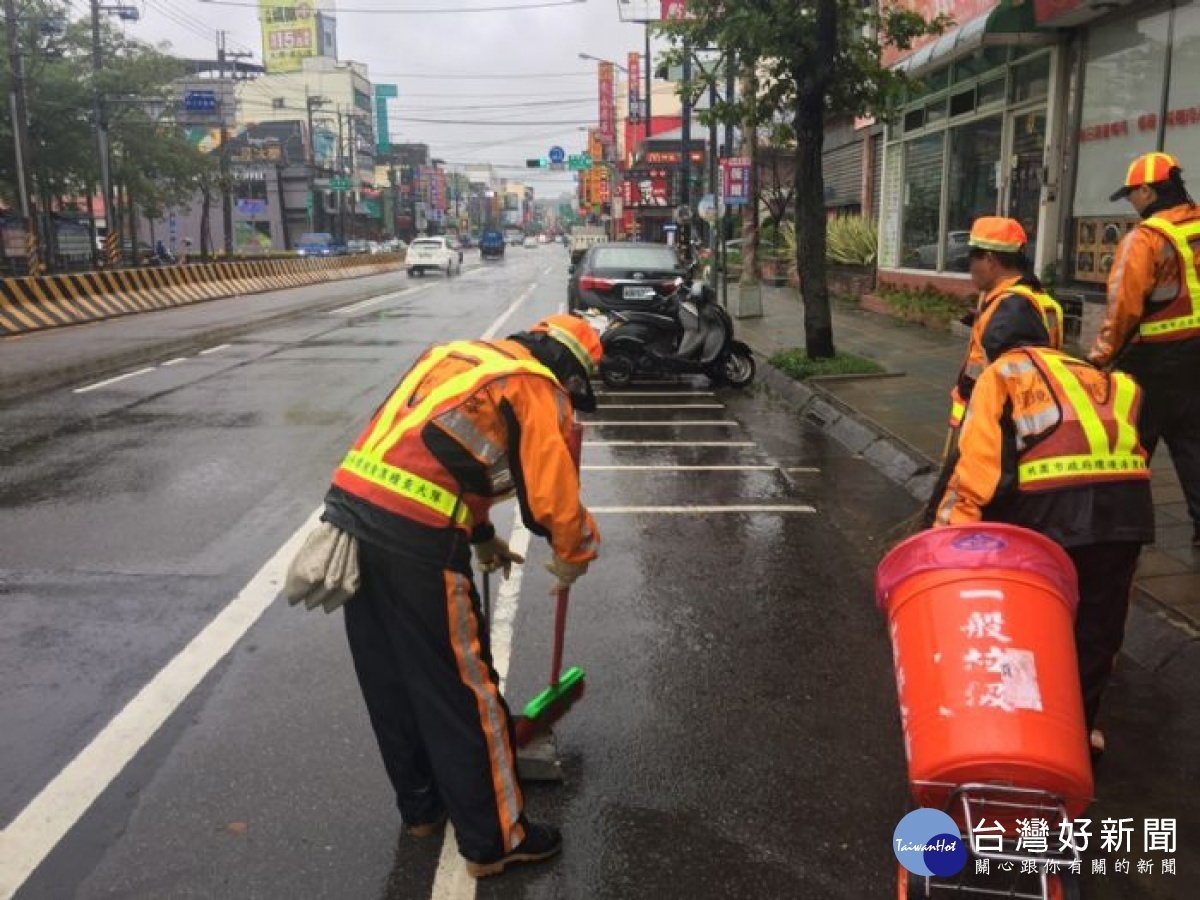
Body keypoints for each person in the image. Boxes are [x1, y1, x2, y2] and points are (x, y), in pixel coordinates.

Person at [320, 314, 602, 878]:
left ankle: (422, 810)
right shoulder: (532, 383)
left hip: (352, 516)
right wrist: (574, 552)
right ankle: (495, 840)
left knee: (393, 679)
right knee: (465, 690)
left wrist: (480, 535)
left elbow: (436, 456)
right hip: (418, 540)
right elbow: (552, 491)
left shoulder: (457, 358)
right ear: (567, 366)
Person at [932, 311, 1155, 757]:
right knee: (1097, 630)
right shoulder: (1097, 375)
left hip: (1052, 513)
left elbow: (977, 470)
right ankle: (1077, 738)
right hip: (1128, 512)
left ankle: (1029, 738)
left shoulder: (1002, 373)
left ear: (996, 350)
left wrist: (946, 547)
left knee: (1031, 625)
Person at [1088, 151, 1200, 548]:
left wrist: (1098, 357)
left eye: (1133, 194)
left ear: (1149, 191)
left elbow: (1124, 306)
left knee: (1131, 445)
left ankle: (1115, 532)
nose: (1132, 203)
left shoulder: (1146, 238)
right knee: (1191, 442)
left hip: (1155, 359)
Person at [922, 217, 1063, 525]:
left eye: (971, 261)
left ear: (990, 259)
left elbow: (1006, 375)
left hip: (997, 430)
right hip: (1030, 422)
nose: (969, 269)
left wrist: (969, 403)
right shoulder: (1029, 300)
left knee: (969, 502)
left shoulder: (1011, 313)